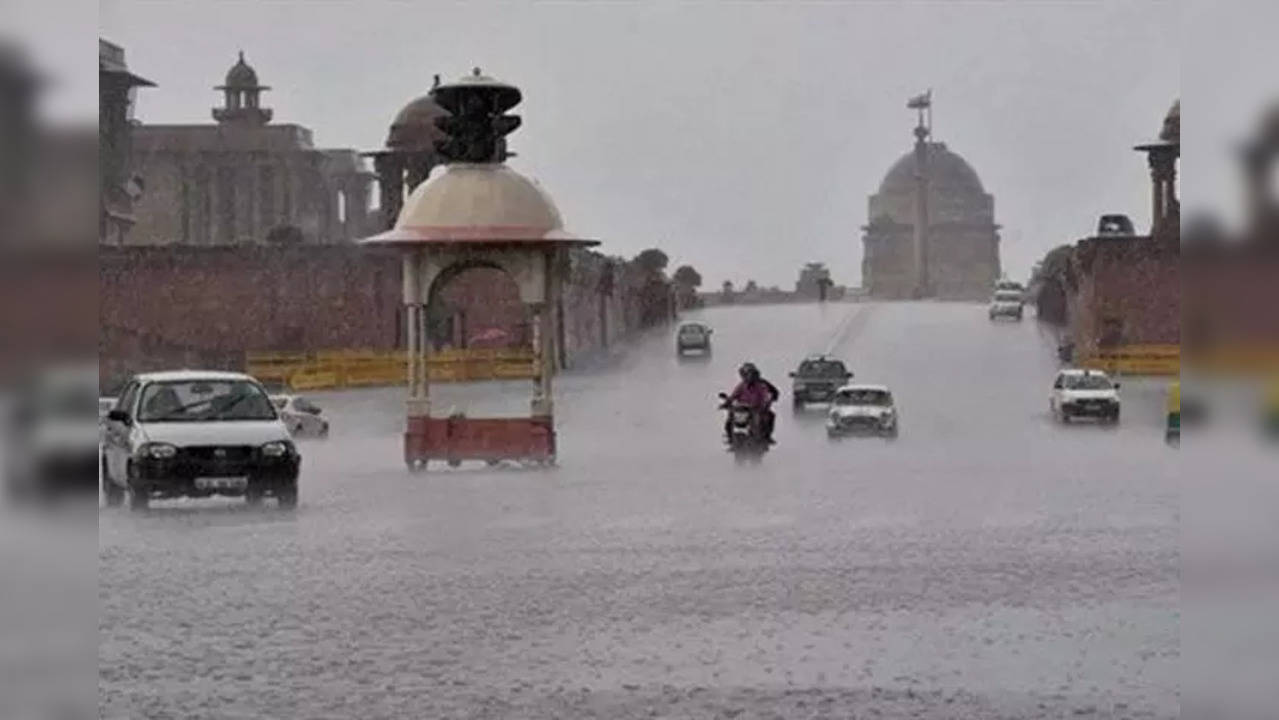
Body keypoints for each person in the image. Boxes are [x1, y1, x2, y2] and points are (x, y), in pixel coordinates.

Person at [725, 362, 779, 442]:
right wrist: (727, 402)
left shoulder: (761, 385)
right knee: (729, 419)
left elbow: (765, 396)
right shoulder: (742, 385)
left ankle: (765, 437)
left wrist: (765, 404)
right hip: (741, 409)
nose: (748, 377)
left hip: (755, 409)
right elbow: (734, 395)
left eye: (750, 374)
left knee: (768, 417)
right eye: (745, 374)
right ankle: (730, 437)